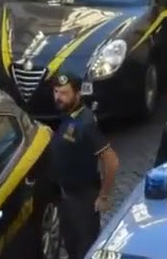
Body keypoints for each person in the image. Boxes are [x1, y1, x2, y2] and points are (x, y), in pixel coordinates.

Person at [48, 74, 119, 259]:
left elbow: (111, 160)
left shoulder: (86, 122)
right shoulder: (69, 115)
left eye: (64, 93)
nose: (58, 97)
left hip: (83, 200)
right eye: (56, 92)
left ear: (78, 94)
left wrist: (104, 196)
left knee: (85, 250)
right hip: (66, 197)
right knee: (71, 246)